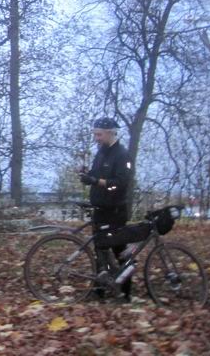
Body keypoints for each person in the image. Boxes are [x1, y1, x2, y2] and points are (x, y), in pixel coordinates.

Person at [80, 116, 133, 300]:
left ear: (111, 132)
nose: (97, 138)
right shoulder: (101, 152)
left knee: (119, 250)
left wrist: (97, 181)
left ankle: (126, 293)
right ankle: (99, 290)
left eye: (99, 134)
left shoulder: (122, 154)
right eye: (95, 134)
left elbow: (120, 183)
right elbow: (96, 174)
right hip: (100, 208)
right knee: (99, 252)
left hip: (115, 211)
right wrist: (87, 176)